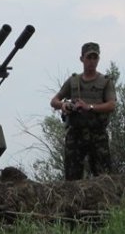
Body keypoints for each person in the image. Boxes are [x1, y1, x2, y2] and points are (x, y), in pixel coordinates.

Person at [49, 42, 117, 180]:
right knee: (72, 179)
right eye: (89, 57)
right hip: (75, 134)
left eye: (95, 58)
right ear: (82, 59)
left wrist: (89, 107)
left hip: (97, 134)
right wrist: (64, 105)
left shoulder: (105, 81)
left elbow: (111, 105)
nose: (92, 61)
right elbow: (54, 101)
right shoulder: (73, 81)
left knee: (104, 178)